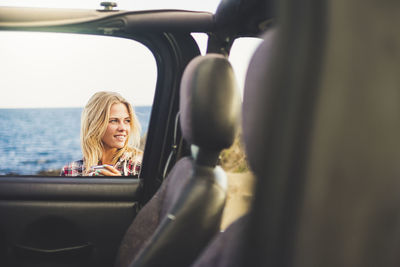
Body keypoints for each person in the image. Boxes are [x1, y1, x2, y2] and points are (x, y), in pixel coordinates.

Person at [60, 91, 142, 177]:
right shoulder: (71, 171)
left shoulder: (139, 166)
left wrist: (120, 187)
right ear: (95, 124)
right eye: (113, 120)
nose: (123, 128)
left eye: (127, 121)